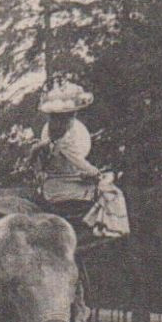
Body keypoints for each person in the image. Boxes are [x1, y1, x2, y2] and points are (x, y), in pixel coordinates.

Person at [29, 82, 129, 241]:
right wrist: (99, 174)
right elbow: (82, 165)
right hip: (66, 192)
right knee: (112, 192)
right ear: (67, 119)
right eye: (71, 116)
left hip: (49, 189)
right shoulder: (65, 144)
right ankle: (106, 230)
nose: (73, 119)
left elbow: (41, 166)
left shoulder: (45, 143)